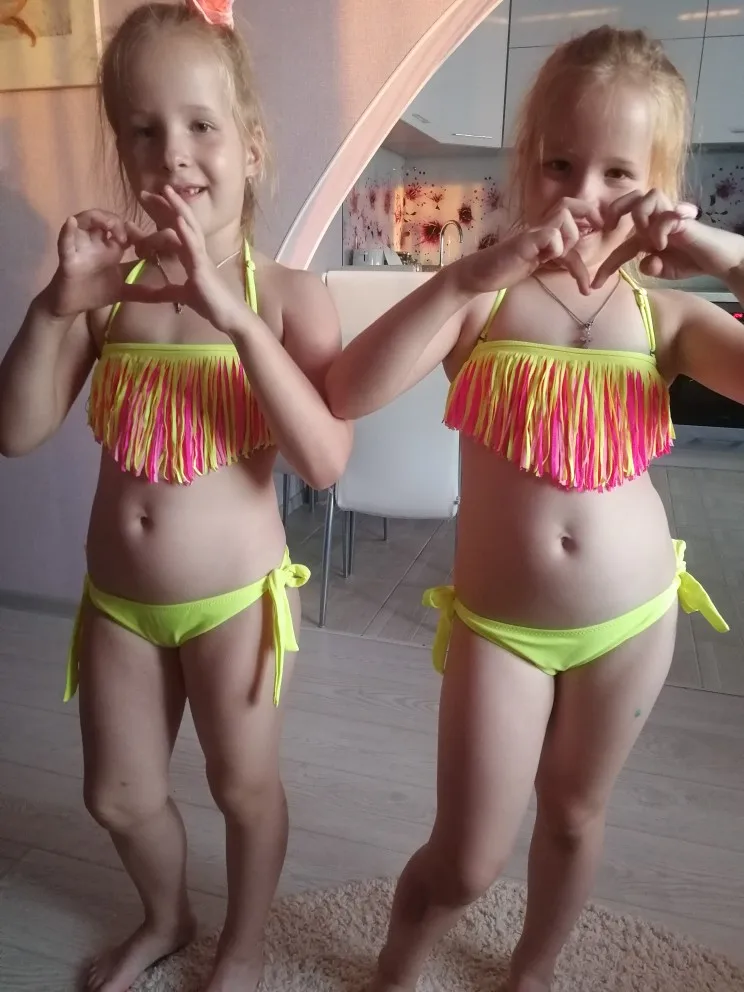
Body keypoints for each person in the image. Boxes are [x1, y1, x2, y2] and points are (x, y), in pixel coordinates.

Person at [326, 25, 742, 992]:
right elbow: (347, 391)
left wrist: (718, 252)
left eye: (617, 173)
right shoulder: (486, 301)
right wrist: (466, 274)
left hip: (632, 621)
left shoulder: (667, 317)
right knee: (466, 859)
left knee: (573, 816)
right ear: (527, 161)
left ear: (658, 185)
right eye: (560, 164)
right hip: (502, 629)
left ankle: (535, 971)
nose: (582, 196)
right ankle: (397, 967)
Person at [0, 2, 351, 990]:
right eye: (144, 131)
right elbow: (15, 429)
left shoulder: (289, 296)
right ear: (122, 152)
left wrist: (234, 317)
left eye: (201, 124)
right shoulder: (108, 295)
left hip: (236, 603)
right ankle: (168, 915)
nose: (175, 152)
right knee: (116, 796)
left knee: (243, 786)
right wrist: (53, 305)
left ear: (251, 144)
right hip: (120, 603)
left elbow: (324, 460)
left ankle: (243, 942)